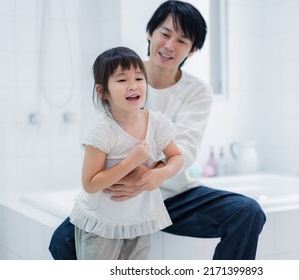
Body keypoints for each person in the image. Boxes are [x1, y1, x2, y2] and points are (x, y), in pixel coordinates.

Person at [49, 0, 266, 260]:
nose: (170, 45)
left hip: (173, 195)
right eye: (165, 34)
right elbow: (100, 139)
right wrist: (131, 178)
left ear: (193, 50)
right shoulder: (120, 73)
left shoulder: (196, 91)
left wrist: (148, 179)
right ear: (149, 33)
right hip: (119, 193)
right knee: (62, 241)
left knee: (247, 212)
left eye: (182, 40)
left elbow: (184, 150)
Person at [71, 46, 183, 259]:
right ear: (102, 91)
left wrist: (160, 174)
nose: (133, 86)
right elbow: (90, 183)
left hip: (138, 220)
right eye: (122, 80)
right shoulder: (102, 129)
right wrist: (130, 161)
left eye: (139, 79)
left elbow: (176, 157)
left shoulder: (156, 122)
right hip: (102, 222)